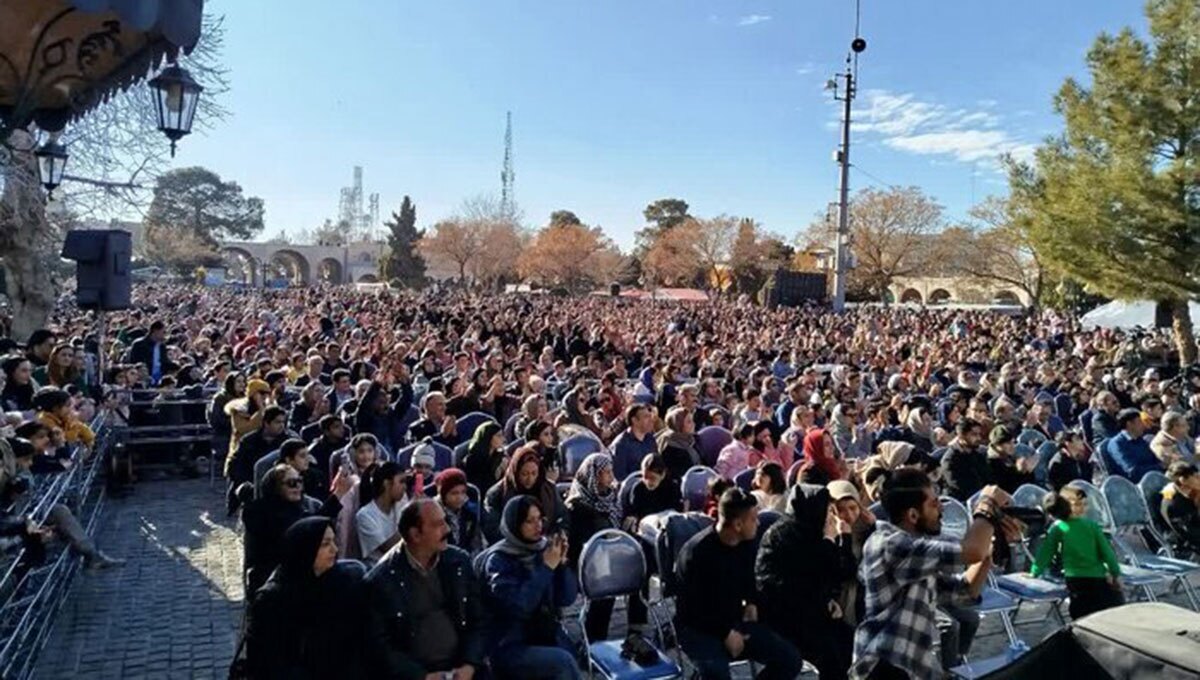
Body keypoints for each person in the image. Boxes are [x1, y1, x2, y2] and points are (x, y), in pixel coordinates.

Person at [851, 469, 1003, 679]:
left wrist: (987, 554)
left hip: (909, 665)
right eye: (933, 504)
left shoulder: (916, 550)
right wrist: (987, 507)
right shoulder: (891, 545)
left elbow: (965, 591)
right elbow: (972, 551)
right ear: (913, 515)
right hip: (883, 664)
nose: (941, 508)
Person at [675, 488, 806, 680]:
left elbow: (750, 581)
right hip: (699, 629)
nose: (758, 523)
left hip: (734, 621)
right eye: (753, 519)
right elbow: (692, 610)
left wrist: (751, 603)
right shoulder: (696, 554)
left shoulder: (747, 544)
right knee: (717, 673)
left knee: (790, 660)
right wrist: (726, 633)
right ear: (737, 524)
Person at [363, 499, 485, 679]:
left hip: (462, 668)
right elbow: (381, 647)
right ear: (415, 534)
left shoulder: (458, 562)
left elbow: (478, 620)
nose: (447, 529)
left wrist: (470, 665)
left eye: (445, 522)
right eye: (438, 524)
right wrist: (422, 676)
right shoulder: (381, 581)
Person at [244, 518, 367, 679]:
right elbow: (268, 663)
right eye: (325, 544)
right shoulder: (272, 600)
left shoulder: (340, 581)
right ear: (305, 550)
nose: (334, 549)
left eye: (334, 541)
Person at [756, 483, 856, 679]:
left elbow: (844, 572)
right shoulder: (786, 535)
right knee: (830, 655)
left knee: (848, 641)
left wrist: (844, 538)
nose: (831, 517)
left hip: (812, 607)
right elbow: (815, 573)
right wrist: (829, 540)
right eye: (828, 511)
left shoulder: (811, 531)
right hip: (786, 613)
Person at [477, 495, 582, 680]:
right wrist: (546, 568)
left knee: (572, 655)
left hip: (543, 633)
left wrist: (562, 564)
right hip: (509, 643)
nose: (538, 526)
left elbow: (566, 598)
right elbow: (518, 606)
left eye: (539, 519)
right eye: (529, 521)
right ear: (515, 524)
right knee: (563, 663)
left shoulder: (543, 550)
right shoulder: (499, 560)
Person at [242, 463, 351, 594]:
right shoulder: (261, 513)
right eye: (291, 483)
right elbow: (306, 531)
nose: (298, 487)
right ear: (276, 487)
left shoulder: (300, 508)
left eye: (300, 481)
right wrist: (338, 495)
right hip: (272, 584)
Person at [564, 453, 635, 642]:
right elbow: (579, 542)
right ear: (594, 476)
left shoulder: (612, 497)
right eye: (606, 473)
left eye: (611, 471)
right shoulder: (577, 505)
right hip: (587, 562)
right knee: (605, 584)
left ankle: (634, 627)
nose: (611, 476)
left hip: (611, 556)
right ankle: (593, 639)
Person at [1031, 488, 1124, 620]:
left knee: (1081, 614)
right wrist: (1115, 573)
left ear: (1051, 515)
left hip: (1075, 578)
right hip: (1098, 577)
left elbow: (1046, 552)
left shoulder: (1059, 527)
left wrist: (1035, 572)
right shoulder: (1091, 525)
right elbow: (1107, 553)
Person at [483, 445, 564, 544]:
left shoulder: (549, 489)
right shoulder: (496, 494)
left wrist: (556, 537)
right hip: (510, 546)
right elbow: (492, 529)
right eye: (524, 474)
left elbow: (562, 518)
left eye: (534, 473)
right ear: (516, 472)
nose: (530, 479)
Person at [355, 461, 412, 564]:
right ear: (387, 484)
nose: (405, 487)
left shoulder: (401, 503)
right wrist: (411, 516)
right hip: (377, 566)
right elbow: (388, 548)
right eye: (401, 482)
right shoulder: (365, 515)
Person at [1104, 408, 1163, 481]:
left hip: (1153, 478)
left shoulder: (1140, 440)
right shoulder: (1116, 444)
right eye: (1139, 422)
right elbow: (1132, 471)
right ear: (1129, 424)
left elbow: (1154, 459)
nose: (1143, 425)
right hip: (1134, 484)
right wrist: (1159, 467)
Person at [938, 418, 989, 502]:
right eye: (974, 434)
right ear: (961, 436)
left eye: (979, 434)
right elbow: (961, 489)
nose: (979, 438)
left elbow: (989, 478)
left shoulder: (978, 455)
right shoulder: (950, 461)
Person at [436, 467, 480, 552]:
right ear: (443, 494)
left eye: (463, 492)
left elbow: (475, 543)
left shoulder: (469, 514)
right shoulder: (434, 514)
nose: (460, 498)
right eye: (454, 493)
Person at [610, 403, 658, 481]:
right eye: (646, 417)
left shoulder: (650, 438)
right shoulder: (621, 444)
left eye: (650, 416)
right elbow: (620, 477)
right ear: (634, 420)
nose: (651, 420)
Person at [984, 425, 1036, 493]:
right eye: (1008, 443)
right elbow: (1007, 488)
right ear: (997, 445)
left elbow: (1029, 484)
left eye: (1013, 442)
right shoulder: (990, 463)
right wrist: (1020, 472)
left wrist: (1027, 470)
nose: (1012, 446)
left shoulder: (1010, 457)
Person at [1163, 462, 1200, 556]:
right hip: (1188, 545)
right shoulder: (1174, 504)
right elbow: (1190, 534)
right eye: (1196, 477)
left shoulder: (1192, 492)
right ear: (1183, 480)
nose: (1199, 478)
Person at [657, 405, 700, 483]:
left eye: (692, 420)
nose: (693, 424)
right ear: (678, 424)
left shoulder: (692, 440)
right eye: (689, 422)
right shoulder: (669, 447)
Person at [461, 421, 506, 494]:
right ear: (488, 437)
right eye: (498, 436)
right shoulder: (472, 460)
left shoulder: (500, 457)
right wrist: (496, 474)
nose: (503, 439)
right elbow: (478, 486)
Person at [126, 321, 176, 385]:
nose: (165, 335)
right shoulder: (139, 344)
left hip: (160, 381)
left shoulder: (162, 346)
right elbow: (134, 363)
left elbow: (164, 362)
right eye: (163, 332)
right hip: (144, 380)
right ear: (155, 331)